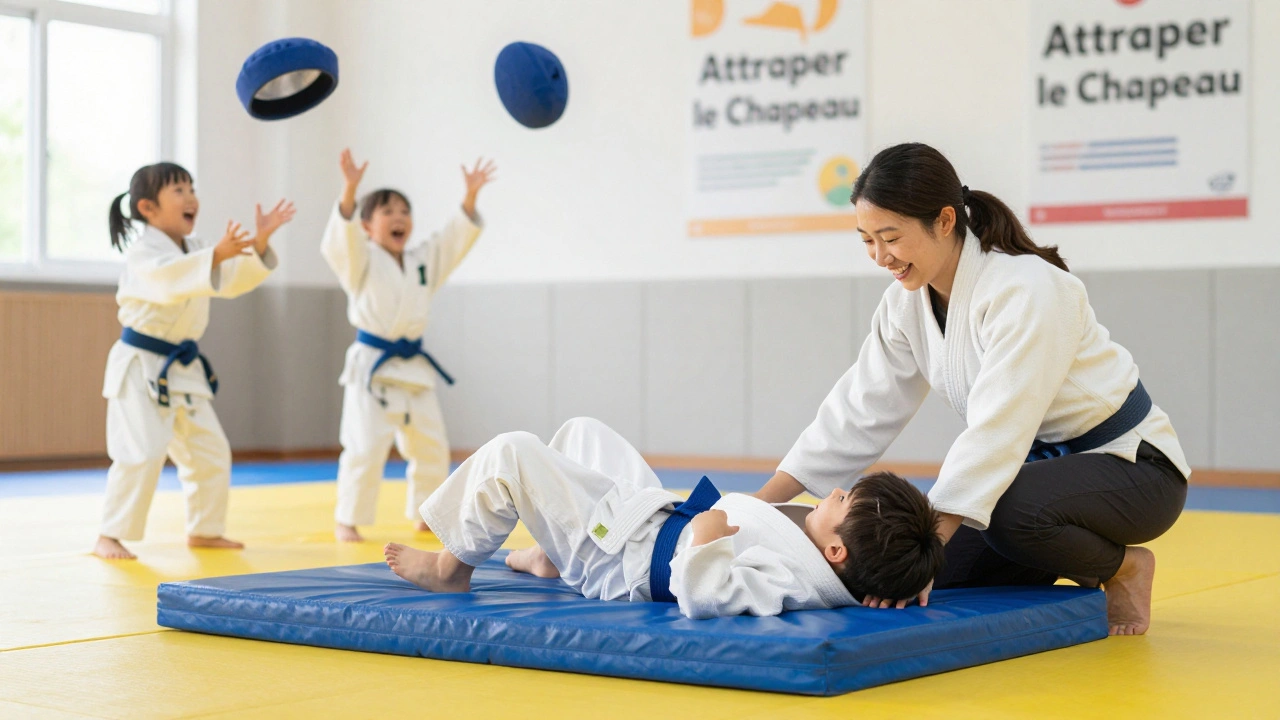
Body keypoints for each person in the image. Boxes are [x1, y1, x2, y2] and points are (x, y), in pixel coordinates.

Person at [753, 142, 1190, 635]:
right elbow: (860, 410)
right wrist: (757, 506)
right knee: (914, 570)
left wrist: (928, 549)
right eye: (867, 240)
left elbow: (998, 429)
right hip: (1031, 476)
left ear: (944, 221)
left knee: (994, 522)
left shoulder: (1027, 288)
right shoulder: (904, 305)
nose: (880, 256)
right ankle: (1072, 557)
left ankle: (1123, 566)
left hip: (1135, 469)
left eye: (891, 237)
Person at [383, 417, 943, 620]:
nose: (837, 492)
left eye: (843, 501)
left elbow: (704, 597)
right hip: (652, 521)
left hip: (620, 560)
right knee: (583, 433)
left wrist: (705, 541)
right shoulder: (824, 556)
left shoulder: (793, 579)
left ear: (837, 552)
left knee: (513, 452)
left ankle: (451, 567)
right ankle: (550, 555)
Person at [96, 162, 294, 560]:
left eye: (192, 189)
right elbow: (168, 281)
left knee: (210, 450)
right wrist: (215, 255)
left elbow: (229, 279)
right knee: (142, 452)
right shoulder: (143, 253)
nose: (191, 198)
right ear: (148, 208)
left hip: (182, 368)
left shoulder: (197, 248)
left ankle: (206, 528)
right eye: (179, 191)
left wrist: (258, 243)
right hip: (139, 366)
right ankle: (110, 534)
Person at [322, 149, 496, 542]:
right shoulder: (360, 260)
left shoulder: (421, 261)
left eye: (404, 211)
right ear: (367, 226)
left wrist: (470, 197)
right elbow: (340, 241)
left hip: (413, 366)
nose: (399, 217)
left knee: (431, 445)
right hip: (373, 366)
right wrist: (350, 190)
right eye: (388, 211)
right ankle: (347, 519)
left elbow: (451, 241)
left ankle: (427, 513)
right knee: (364, 446)